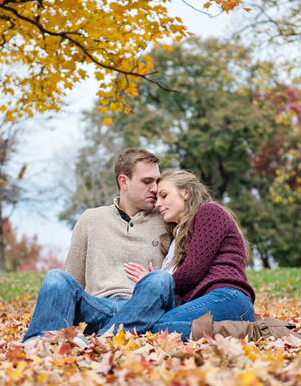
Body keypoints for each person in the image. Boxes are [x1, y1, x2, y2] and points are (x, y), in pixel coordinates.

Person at [22, 148, 174, 346]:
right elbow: (71, 280)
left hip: (142, 307)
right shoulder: (90, 219)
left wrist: (152, 281)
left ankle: (100, 340)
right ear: (124, 182)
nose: (155, 188)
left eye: (157, 181)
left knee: (161, 279)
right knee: (56, 277)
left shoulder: (167, 219)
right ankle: (40, 343)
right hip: (95, 308)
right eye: (147, 181)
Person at [123, 169, 256, 341]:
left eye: (164, 195)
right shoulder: (181, 233)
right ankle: (226, 334)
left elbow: (192, 272)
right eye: (157, 198)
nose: (157, 204)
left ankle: (236, 333)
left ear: (185, 193)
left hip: (228, 298)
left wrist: (155, 285)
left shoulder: (209, 212)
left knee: (150, 327)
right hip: (217, 302)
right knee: (151, 326)